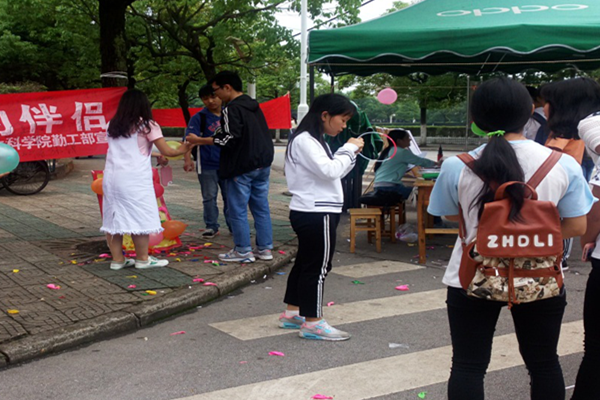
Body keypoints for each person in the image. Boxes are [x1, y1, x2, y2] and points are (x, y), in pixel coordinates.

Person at [428, 77, 593, 400]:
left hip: (471, 275)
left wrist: (493, 230)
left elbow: (450, 215)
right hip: (541, 276)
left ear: (476, 119)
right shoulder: (563, 164)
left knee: (468, 366)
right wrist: (531, 236)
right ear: (530, 111)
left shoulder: (456, 166)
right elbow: (576, 225)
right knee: (543, 364)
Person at [280, 93, 364, 341]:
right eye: (343, 119)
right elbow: (330, 171)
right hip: (317, 211)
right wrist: (349, 148)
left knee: (306, 263)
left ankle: (293, 312)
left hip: (313, 209)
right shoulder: (306, 141)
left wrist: (351, 153)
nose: (344, 125)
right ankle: (313, 322)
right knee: (318, 267)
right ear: (325, 115)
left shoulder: (313, 140)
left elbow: (334, 172)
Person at [541, 77, 600, 400]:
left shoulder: (590, 124)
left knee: (595, 346)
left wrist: (589, 233)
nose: (543, 108)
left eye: (547, 102)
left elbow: (595, 204)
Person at [186, 70, 274, 263]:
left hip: (241, 166)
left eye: (216, 90)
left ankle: (243, 250)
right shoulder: (253, 106)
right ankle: (265, 249)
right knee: (261, 208)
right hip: (262, 164)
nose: (215, 94)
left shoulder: (230, 109)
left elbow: (228, 138)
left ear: (227, 87)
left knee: (237, 209)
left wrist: (200, 140)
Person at [101, 89, 190, 270]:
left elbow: (131, 148)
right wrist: (187, 147)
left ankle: (117, 260)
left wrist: (154, 154)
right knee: (139, 217)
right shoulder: (148, 125)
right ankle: (142, 259)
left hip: (111, 178)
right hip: (135, 179)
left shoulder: (113, 124)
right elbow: (169, 151)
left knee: (113, 219)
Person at [183, 84, 230, 239]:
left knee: (231, 197)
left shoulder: (229, 114)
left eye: (213, 97)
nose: (210, 101)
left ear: (220, 96)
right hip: (207, 164)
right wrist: (187, 159)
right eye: (205, 98)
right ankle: (211, 226)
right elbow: (189, 139)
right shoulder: (199, 118)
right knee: (209, 197)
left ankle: (234, 225)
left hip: (228, 164)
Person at [372, 128, 437, 200]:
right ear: (399, 141)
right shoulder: (401, 152)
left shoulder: (389, 150)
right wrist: (437, 164)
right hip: (389, 188)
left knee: (418, 191)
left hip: (379, 186)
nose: (410, 139)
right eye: (407, 138)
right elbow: (421, 161)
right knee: (423, 193)